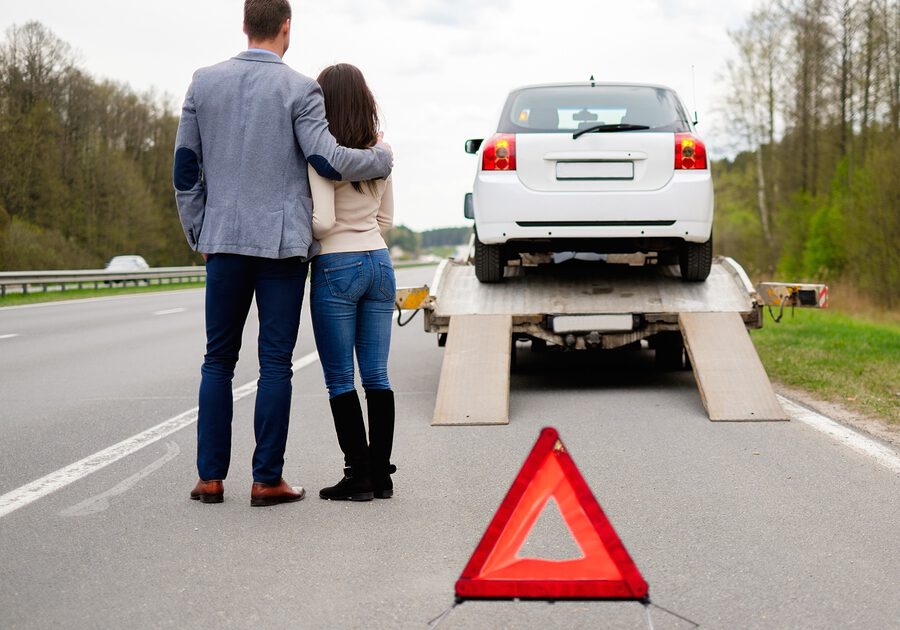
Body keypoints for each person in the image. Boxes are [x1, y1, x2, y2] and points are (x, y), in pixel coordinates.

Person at [174, 0, 393, 507]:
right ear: (286, 27)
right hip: (282, 248)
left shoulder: (203, 83)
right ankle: (266, 479)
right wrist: (381, 158)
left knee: (217, 361)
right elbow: (328, 159)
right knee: (274, 364)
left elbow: (187, 169)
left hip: (223, 242)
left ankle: (210, 478)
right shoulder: (300, 88)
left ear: (245, 24)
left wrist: (199, 236)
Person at [307, 64, 397, 502]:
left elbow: (322, 222)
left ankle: (356, 476)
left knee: (341, 377)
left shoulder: (322, 156)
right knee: (377, 375)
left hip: (336, 264)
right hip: (379, 261)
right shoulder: (381, 152)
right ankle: (381, 475)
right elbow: (386, 219)